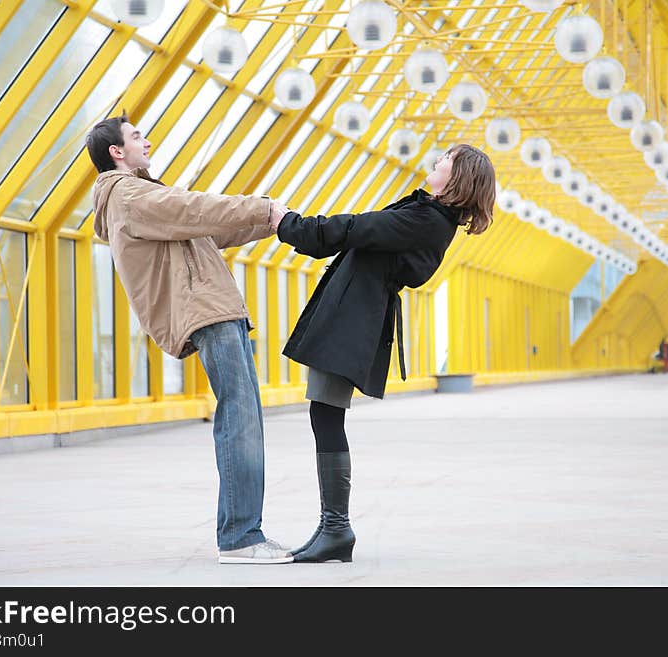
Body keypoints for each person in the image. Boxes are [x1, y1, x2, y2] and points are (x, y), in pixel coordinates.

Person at [269, 145, 496, 563]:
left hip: (351, 322)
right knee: (324, 414)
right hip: (356, 320)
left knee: (325, 415)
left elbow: (353, 228)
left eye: (447, 155)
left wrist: (287, 223)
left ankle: (336, 527)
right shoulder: (431, 218)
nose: (438, 158)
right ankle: (330, 527)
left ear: (460, 173)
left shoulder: (426, 219)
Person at [87, 112, 292, 564]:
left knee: (244, 416)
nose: (147, 140)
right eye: (137, 136)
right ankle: (240, 537)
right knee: (240, 419)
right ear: (116, 152)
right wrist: (262, 207)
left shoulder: (139, 196)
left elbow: (209, 230)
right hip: (207, 311)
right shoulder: (128, 193)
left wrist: (272, 223)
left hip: (214, 308)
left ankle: (242, 532)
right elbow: (193, 208)